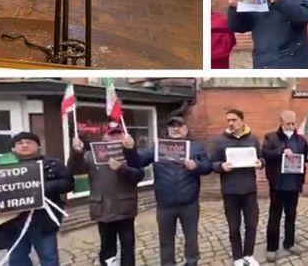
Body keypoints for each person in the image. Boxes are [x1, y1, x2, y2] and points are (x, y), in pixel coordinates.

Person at [123, 116, 212, 266]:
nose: (176, 129)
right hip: (165, 204)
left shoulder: (196, 147)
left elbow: (208, 167)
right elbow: (137, 161)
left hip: (189, 203)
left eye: (179, 125)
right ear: (168, 129)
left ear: (186, 129)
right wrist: (130, 149)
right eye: (172, 126)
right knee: (166, 240)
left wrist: (196, 165)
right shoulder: (158, 147)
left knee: (191, 239)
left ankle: (191, 262)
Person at [0, 131, 73, 266]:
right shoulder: (0, 167)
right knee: (17, 258)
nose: (24, 145)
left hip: (43, 221)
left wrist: (39, 188)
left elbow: (68, 184)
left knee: (49, 257)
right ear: (13, 148)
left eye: (29, 142)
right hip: (12, 222)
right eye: (19, 143)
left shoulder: (52, 164)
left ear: (38, 146)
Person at [69, 122, 144, 266]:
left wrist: (123, 168)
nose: (116, 137)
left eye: (119, 134)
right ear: (105, 137)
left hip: (125, 208)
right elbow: (75, 170)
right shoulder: (91, 155)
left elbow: (138, 176)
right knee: (107, 247)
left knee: (128, 245)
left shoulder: (130, 153)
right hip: (102, 208)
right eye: (112, 134)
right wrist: (77, 154)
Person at [210, 109, 263, 266]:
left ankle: (249, 254)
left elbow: (260, 158)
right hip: (230, 190)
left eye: (234, 120)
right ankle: (238, 257)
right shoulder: (220, 141)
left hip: (249, 190)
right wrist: (221, 166)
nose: (231, 123)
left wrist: (261, 163)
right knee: (234, 226)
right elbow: (212, 163)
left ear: (242, 121)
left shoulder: (252, 139)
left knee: (251, 225)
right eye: (228, 120)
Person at [261, 111, 308, 263]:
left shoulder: (300, 139)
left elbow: (307, 157)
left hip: (294, 183)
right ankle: (272, 247)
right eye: (288, 124)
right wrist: (281, 152)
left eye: (293, 123)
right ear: (281, 122)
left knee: (291, 215)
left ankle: (289, 242)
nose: (291, 126)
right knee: (275, 216)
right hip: (278, 183)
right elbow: (265, 154)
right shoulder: (271, 137)